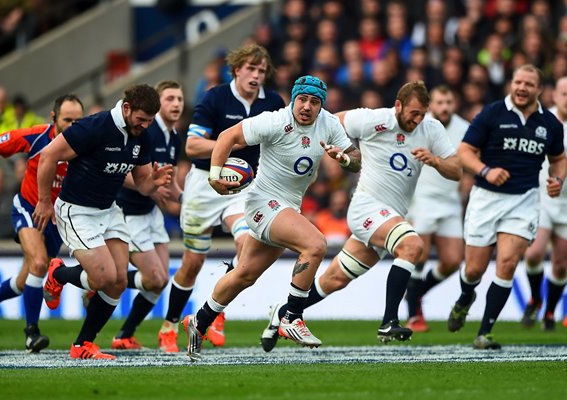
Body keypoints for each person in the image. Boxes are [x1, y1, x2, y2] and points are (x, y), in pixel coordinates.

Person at [260, 81, 461, 353]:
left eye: (422, 114)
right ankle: (389, 320)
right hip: (367, 208)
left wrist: (436, 161)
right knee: (412, 245)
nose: (418, 119)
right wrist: (334, 152)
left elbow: (457, 170)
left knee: (334, 280)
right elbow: (334, 121)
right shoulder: (374, 119)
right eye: (413, 113)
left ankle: (284, 312)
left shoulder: (431, 129)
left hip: (391, 217)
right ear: (398, 106)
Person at [183, 75, 361, 361]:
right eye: (302, 99)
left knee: (244, 274)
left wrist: (344, 159)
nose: (306, 106)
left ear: (321, 106)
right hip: (262, 202)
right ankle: (292, 316)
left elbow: (355, 158)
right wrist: (215, 176)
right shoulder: (275, 120)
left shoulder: (328, 123)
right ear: (293, 99)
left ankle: (199, 322)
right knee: (315, 244)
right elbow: (228, 137)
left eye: (314, 102)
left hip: (288, 206)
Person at [157, 43, 285, 353]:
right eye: (250, 69)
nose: (256, 76)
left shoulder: (274, 102)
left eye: (261, 70)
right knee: (192, 263)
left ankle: (214, 313)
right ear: (236, 70)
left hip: (245, 186)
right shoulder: (215, 97)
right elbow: (193, 146)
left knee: (246, 244)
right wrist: (229, 145)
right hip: (204, 183)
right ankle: (170, 325)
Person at [32, 84, 173, 360]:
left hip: (109, 210)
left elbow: (142, 183)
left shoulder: (141, 136)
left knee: (118, 282)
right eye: (141, 118)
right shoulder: (94, 126)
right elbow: (48, 155)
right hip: (77, 211)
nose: (144, 125)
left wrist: (153, 183)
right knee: (103, 278)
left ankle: (81, 344)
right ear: (127, 108)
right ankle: (58, 273)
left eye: (149, 121)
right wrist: (44, 201)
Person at [447, 64, 567, 350]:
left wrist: (558, 178)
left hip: (524, 200)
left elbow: (559, 158)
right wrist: (485, 170)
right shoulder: (492, 113)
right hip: (486, 198)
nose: (522, 88)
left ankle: (484, 332)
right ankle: (465, 298)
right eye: (518, 82)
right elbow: (465, 152)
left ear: (539, 90)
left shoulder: (550, 123)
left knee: (508, 263)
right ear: (511, 84)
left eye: (529, 84)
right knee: (474, 269)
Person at [0, 95, 84, 350]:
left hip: (58, 222)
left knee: (28, 278)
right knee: (38, 263)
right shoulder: (36, 137)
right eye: (67, 120)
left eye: (78, 121)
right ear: (53, 118)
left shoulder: (86, 144)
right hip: (27, 209)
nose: (72, 125)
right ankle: (31, 332)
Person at [110, 80, 184, 350]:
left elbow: (170, 181)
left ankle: (124, 335)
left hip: (152, 213)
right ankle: (98, 280)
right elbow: (122, 172)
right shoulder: (142, 132)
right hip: (130, 212)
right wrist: (150, 188)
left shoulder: (174, 138)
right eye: (170, 98)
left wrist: (187, 201)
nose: (176, 104)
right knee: (155, 278)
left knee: (160, 280)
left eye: (179, 99)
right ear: (156, 104)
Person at [404, 85, 470, 332]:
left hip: (450, 200)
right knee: (418, 255)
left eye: (449, 102)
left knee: (453, 260)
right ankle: (414, 315)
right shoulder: (421, 125)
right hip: (422, 198)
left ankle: (415, 293)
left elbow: (467, 162)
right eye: (440, 102)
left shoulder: (464, 128)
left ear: (455, 104)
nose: (444, 107)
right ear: (432, 105)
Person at [521, 76, 567, 330]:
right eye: (564, 94)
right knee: (533, 253)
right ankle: (535, 297)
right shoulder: (543, 120)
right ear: (554, 96)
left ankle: (550, 312)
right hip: (542, 197)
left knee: (561, 263)